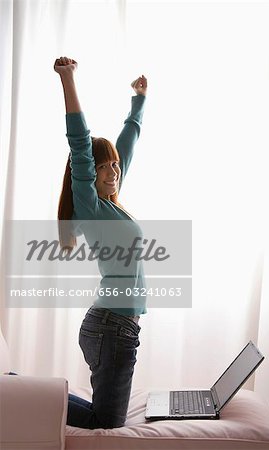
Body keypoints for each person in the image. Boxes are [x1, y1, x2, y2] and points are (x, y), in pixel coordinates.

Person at [54, 56, 147, 429]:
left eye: (114, 165)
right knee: (106, 422)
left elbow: (127, 146)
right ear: (88, 174)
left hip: (116, 327)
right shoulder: (89, 206)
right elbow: (80, 143)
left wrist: (138, 102)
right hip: (112, 326)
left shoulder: (111, 206)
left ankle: (31, 395)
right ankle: (25, 400)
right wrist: (68, 79)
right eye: (104, 165)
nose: (114, 169)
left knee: (105, 417)